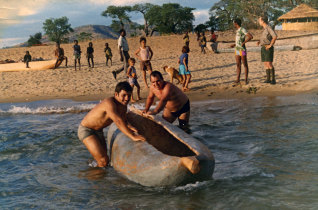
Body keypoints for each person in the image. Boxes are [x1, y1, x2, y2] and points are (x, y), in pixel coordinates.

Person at [78, 81, 146, 168]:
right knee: (103, 160)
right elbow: (118, 121)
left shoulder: (123, 105)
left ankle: (95, 169)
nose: (127, 98)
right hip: (86, 130)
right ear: (116, 94)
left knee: (105, 161)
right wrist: (132, 136)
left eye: (129, 95)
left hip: (98, 131)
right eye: (124, 95)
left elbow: (123, 119)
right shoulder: (109, 103)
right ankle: (93, 179)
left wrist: (131, 127)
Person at [230, 18, 253, 85]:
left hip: (242, 50)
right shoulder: (238, 31)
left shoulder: (243, 29)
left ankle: (246, 79)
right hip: (237, 50)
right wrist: (234, 44)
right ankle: (238, 79)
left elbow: (251, 37)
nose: (234, 24)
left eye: (234, 23)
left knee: (245, 64)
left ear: (236, 23)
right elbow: (239, 40)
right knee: (238, 65)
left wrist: (244, 42)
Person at [257, 16, 278, 85]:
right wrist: (259, 41)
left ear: (263, 21)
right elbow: (265, 38)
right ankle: (268, 79)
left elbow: (274, 36)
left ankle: (273, 80)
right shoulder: (264, 29)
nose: (258, 21)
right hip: (263, 47)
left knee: (269, 63)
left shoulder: (269, 28)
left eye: (259, 20)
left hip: (268, 48)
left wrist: (270, 45)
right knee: (265, 63)